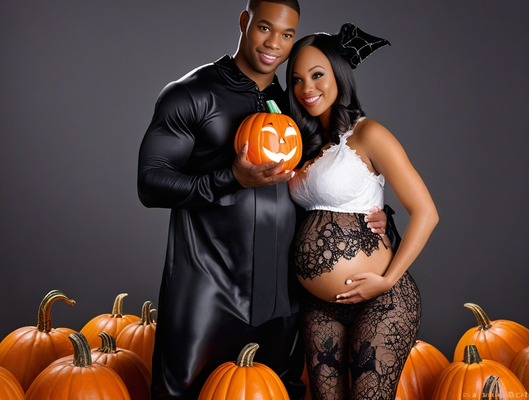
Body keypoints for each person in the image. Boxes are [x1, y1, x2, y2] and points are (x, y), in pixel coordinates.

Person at [137, 1, 388, 398]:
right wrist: (230, 178)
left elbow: (338, 174)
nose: (275, 43)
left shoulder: (295, 105)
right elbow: (150, 183)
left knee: (281, 392)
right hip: (207, 289)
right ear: (244, 22)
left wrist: (377, 216)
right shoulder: (191, 94)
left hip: (282, 299)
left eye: (287, 34)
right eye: (265, 28)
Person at [285, 24, 439, 400]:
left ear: (339, 74)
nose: (308, 88)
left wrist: (387, 281)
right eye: (297, 79)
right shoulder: (299, 144)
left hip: (381, 300)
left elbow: (426, 212)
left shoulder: (368, 134)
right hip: (319, 307)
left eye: (318, 75)